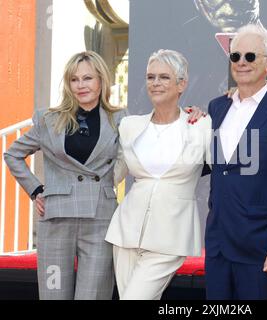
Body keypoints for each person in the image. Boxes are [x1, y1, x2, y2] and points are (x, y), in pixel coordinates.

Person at [3, 51, 128, 299]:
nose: (80, 85)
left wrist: (107, 184)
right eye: (74, 79)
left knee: (93, 295)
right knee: (53, 295)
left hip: (100, 220)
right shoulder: (48, 119)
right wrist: (36, 190)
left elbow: (130, 157)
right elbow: (13, 154)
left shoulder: (120, 119)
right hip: (56, 219)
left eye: (88, 78)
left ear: (101, 80)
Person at [205, 24, 267, 300]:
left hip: (262, 247)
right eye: (235, 56)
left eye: (250, 56)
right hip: (218, 243)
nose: (241, 63)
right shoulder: (217, 108)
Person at [105, 49, 211, 300]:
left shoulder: (201, 125)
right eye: (150, 77)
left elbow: (227, 167)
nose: (155, 83)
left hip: (171, 234)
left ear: (181, 84)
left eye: (164, 77)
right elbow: (112, 175)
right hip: (126, 232)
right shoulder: (130, 126)